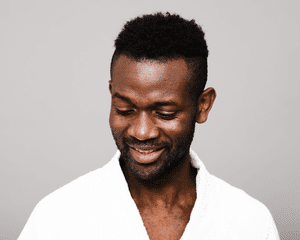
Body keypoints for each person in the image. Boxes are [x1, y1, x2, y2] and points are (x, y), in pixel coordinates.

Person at [18, 12, 279, 240]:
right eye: (125, 109)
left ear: (203, 105)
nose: (142, 132)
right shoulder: (57, 218)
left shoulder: (250, 223)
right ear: (111, 94)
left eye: (165, 113)